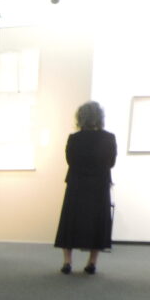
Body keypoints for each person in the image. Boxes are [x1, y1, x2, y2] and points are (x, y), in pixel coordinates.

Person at [54, 101, 116, 274]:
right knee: (98, 222)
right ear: (100, 117)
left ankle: (67, 262)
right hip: (99, 185)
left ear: (80, 118)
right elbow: (111, 162)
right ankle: (92, 263)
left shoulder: (74, 139)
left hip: (77, 184)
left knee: (70, 222)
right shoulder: (109, 138)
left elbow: (70, 161)